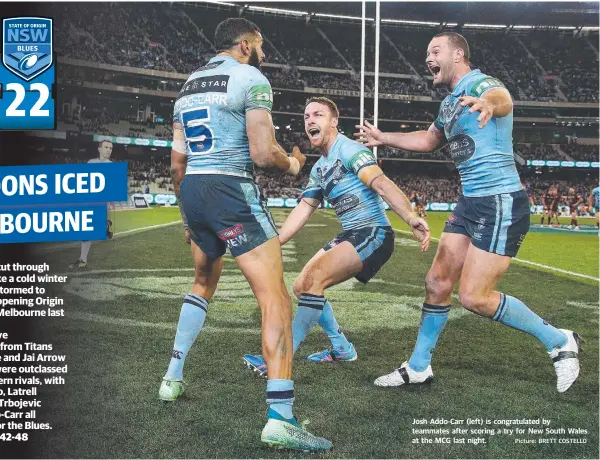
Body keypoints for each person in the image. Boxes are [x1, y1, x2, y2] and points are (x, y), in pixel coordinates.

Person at [355, 32, 581, 393]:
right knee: (437, 283)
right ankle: (418, 367)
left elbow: (502, 98)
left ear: (458, 53)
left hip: (500, 201)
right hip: (469, 202)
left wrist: (490, 105)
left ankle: (559, 340)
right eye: (426, 51)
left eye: (435, 50)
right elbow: (429, 141)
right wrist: (383, 137)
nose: (428, 56)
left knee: (474, 297)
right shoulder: (447, 105)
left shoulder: (483, 84)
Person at [158, 18, 331, 452]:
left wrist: (187, 217)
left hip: (194, 191)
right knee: (276, 298)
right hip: (230, 187)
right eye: (261, 44)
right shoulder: (251, 77)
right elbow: (261, 153)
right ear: (246, 43)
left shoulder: (188, 86)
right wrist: (293, 164)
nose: (264, 52)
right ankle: (280, 417)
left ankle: (171, 378)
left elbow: (177, 165)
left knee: (202, 282)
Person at [242, 97, 429, 374]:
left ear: (334, 122)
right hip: (352, 233)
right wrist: (275, 242)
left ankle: (279, 359)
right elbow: (304, 208)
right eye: (306, 117)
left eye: (317, 115)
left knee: (315, 279)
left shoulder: (350, 150)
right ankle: (341, 347)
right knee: (302, 285)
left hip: (374, 232)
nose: (310, 121)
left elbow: (380, 183)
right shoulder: (319, 168)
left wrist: (411, 216)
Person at [68, 140, 114, 270]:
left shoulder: (111, 166)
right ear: (99, 149)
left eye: (110, 148)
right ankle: (104, 225)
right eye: (106, 147)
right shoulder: (91, 163)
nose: (108, 150)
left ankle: (83, 259)